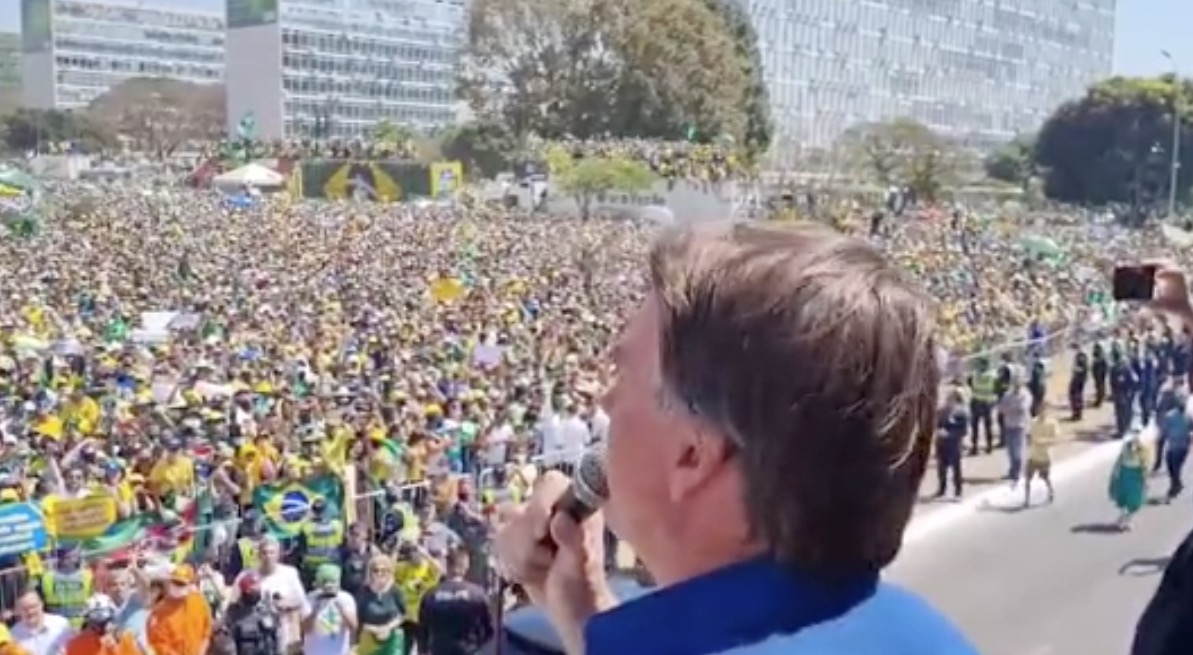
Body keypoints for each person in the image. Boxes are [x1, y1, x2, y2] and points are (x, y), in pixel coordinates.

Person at [493, 223, 977, 655]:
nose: (605, 401)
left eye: (623, 376)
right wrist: (579, 610)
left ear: (693, 455)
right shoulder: (919, 630)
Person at [227, 535, 305, 654]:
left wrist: (284, 603)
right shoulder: (246, 575)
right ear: (258, 555)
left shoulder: (290, 574)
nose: (268, 556)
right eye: (264, 552)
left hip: (281, 635)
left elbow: (301, 602)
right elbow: (232, 601)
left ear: (279, 554)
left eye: (271, 552)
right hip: (251, 636)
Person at [419, 548, 493, 655]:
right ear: (466, 567)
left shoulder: (431, 595)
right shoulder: (477, 594)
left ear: (447, 566)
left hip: (440, 650)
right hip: (471, 650)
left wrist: (423, 651)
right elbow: (489, 629)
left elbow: (423, 630)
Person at [145, 564, 213, 655]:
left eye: (181, 584)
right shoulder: (159, 612)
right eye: (175, 582)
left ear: (190, 585)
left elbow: (206, 632)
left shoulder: (199, 603)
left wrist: (201, 651)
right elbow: (156, 643)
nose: (177, 586)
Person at [300, 564, 357, 655]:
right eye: (325, 582)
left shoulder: (346, 598)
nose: (329, 586)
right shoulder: (310, 598)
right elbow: (306, 629)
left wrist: (342, 609)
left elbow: (353, 627)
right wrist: (315, 610)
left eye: (333, 582)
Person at [218, 573, 280, 655]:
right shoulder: (234, 613)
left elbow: (277, 636)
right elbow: (226, 641)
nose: (257, 590)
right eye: (253, 588)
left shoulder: (268, 609)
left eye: (258, 587)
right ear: (246, 591)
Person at [357, 553, 406, 655]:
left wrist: (387, 628)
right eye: (376, 570)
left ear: (389, 572)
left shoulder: (396, 590)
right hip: (369, 637)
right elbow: (359, 618)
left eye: (384, 570)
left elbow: (403, 614)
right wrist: (375, 629)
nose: (379, 573)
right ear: (370, 572)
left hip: (392, 637)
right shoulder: (364, 591)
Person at [63, 598, 140, 655]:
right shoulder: (75, 644)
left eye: (105, 622)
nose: (101, 627)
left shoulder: (125, 639)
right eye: (97, 623)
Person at [1109, 431, 1152, 530]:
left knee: (1133, 499)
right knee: (1126, 498)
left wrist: (1145, 479)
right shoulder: (1127, 447)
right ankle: (1124, 518)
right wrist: (1115, 473)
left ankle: (1126, 519)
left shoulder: (1142, 449)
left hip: (1133, 475)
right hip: (1128, 474)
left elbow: (1144, 465)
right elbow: (1120, 461)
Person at [10, 588, 72, 655]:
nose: (30, 612)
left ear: (41, 604)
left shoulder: (61, 625)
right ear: (18, 611)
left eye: (33, 606)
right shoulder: (14, 634)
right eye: (25, 609)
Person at [1024, 402, 1057, 507]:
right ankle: (1026, 499)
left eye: (1043, 410)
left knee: (1045, 477)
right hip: (1033, 455)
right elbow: (1028, 435)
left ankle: (1051, 491)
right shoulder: (1033, 422)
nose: (1041, 413)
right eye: (1040, 410)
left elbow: (1055, 439)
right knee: (1028, 478)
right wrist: (1029, 441)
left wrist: (1042, 441)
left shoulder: (1052, 424)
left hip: (1045, 456)